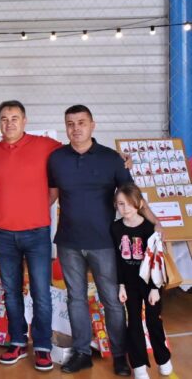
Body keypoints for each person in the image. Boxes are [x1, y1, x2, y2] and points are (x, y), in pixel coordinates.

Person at [47, 105, 159, 375]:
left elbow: (132, 195)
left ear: (92, 125)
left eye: (81, 122)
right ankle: (82, 352)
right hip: (69, 242)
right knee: (75, 299)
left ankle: (119, 355)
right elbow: (50, 195)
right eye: (70, 123)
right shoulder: (56, 159)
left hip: (106, 243)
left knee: (112, 300)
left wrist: (155, 223)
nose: (76, 128)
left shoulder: (112, 159)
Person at [0, 100, 60, 371]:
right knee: (11, 292)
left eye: (14, 118)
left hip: (37, 232)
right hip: (4, 233)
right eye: (4, 119)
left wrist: (43, 203)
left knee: (41, 292)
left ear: (25, 121)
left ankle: (42, 346)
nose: (9, 123)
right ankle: (17, 341)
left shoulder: (45, 145)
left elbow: (76, 153)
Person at [111, 184, 173, 379]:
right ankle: (138, 366)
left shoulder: (149, 228)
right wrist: (121, 285)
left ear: (139, 203)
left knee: (154, 321)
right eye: (121, 204)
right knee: (134, 323)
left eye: (130, 203)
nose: (125, 208)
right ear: (116, 205)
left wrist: (154, 288)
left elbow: (156, 261)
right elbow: (117, 260)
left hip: (150, 284)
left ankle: (163, 359)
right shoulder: (116, 228)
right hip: (130, 285)